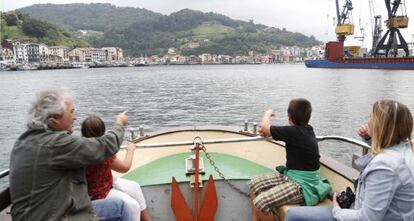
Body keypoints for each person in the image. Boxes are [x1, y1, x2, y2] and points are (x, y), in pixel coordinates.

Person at [9, 89, 129, 221]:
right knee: (120, 207)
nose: (75, 117)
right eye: (71, 112)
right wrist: (119, 124)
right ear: (55, 118)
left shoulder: (25, 140)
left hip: (43, 213)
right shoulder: (56, 144)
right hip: (59, 216)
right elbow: (105, 146)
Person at [285, 99, 414, 221]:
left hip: (362, 215)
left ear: (383, 127)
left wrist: (336, 209)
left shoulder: (385, 167)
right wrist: (369, 139)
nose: (368, 121)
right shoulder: (405, 149)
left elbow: (366, 219)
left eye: (372, 118)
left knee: (293, 215)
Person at [248, 98, 331, 221]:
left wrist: (268, 113)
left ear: (289, 117)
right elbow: (269, 131)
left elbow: (265, 127)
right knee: (253, 184)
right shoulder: (306, 129)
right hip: (292, 175)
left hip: (303, 186)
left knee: (259, 203)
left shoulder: (294, 132)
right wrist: (268, 132)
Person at [82, 116, 152, 221]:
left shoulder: (79, 150)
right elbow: (124, 167)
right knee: (133, 207)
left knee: (135, 187)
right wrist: (130, 150)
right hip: (100, 194)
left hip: (107, 183)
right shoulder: (104, 151)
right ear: (103, 133)